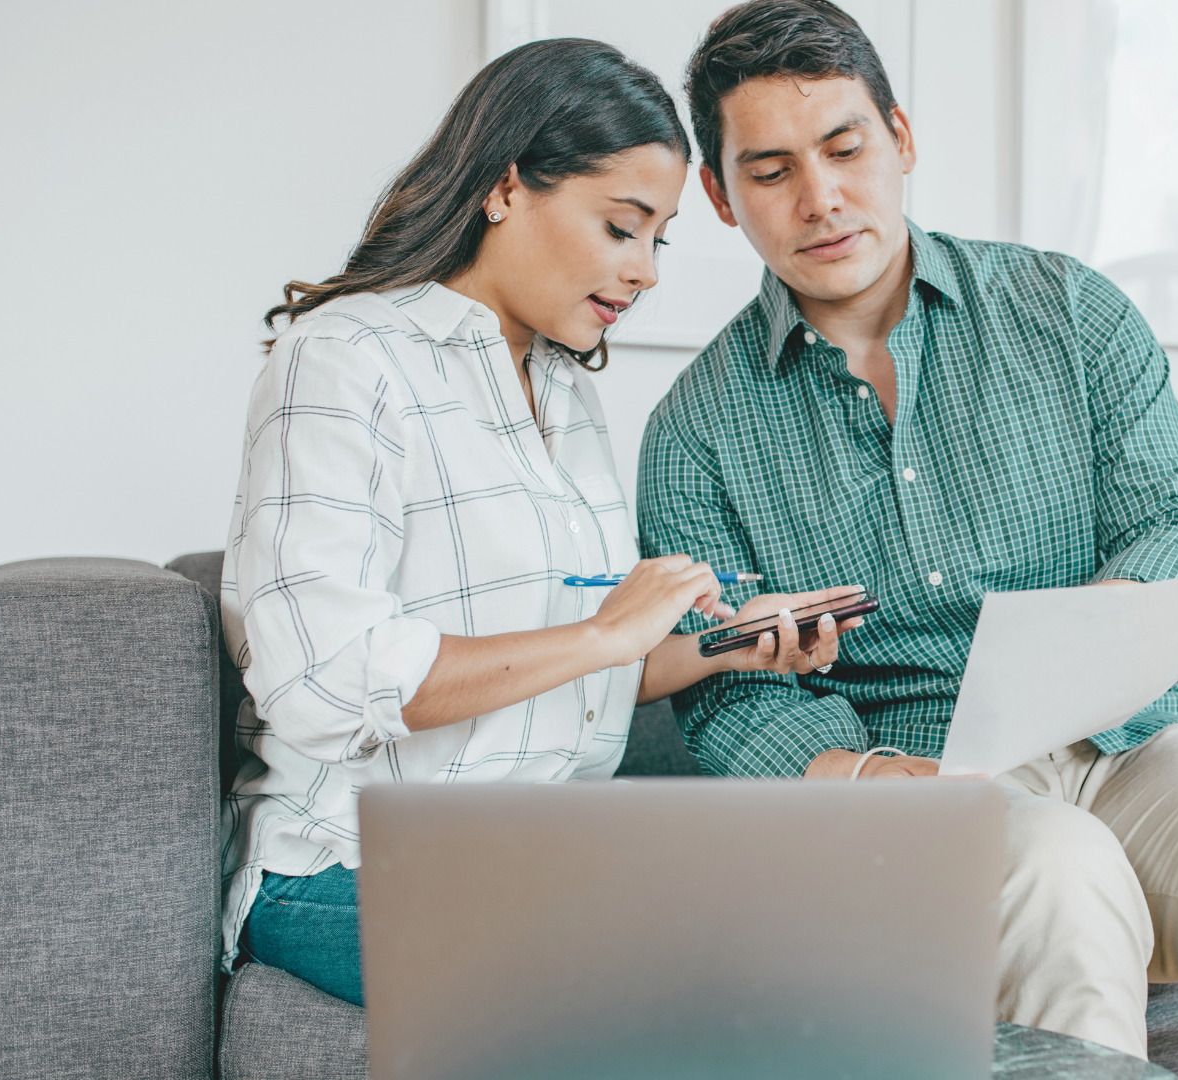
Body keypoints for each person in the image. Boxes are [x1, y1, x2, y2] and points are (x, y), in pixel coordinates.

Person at [637, 3, 1178, 1078]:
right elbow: (726, 695)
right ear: (720, 196)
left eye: (846, 149)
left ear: (902, 139)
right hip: (913, 779)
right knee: (1060, 875)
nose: (822, 197)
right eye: (772, 169)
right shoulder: (694, 429)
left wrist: (1098, 628)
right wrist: (866, 774)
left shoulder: (1068, 311)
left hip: (1131, 740)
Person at [219, 37, 861, 1007]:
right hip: (354, 866)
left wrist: (730, 646)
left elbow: (580, 674)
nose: (645, 272)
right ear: (505, 188)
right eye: (621, 227)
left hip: (544, 853)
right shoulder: (345, 360)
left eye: (659, 238)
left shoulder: (563, 390)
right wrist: (604, 631)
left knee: (836, 933)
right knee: (704, 991)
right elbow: (322, 677)